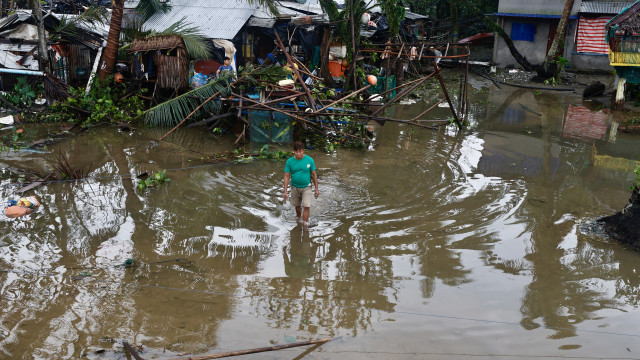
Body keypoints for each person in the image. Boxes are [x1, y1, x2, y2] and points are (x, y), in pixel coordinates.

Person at [283, 141, 319, 229]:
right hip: (294, 187)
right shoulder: (289, 161)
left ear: (303, 150)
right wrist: (285, 191)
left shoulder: (309, 160)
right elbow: (286, 176)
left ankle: (305, 224)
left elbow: (314, 175)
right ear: (294, 151)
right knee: (297, 206)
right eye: (297, 151)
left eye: (301, 151)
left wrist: (317, 189)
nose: (299, 153)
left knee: (306, 206)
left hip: (307, 187)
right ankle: (299, 219)